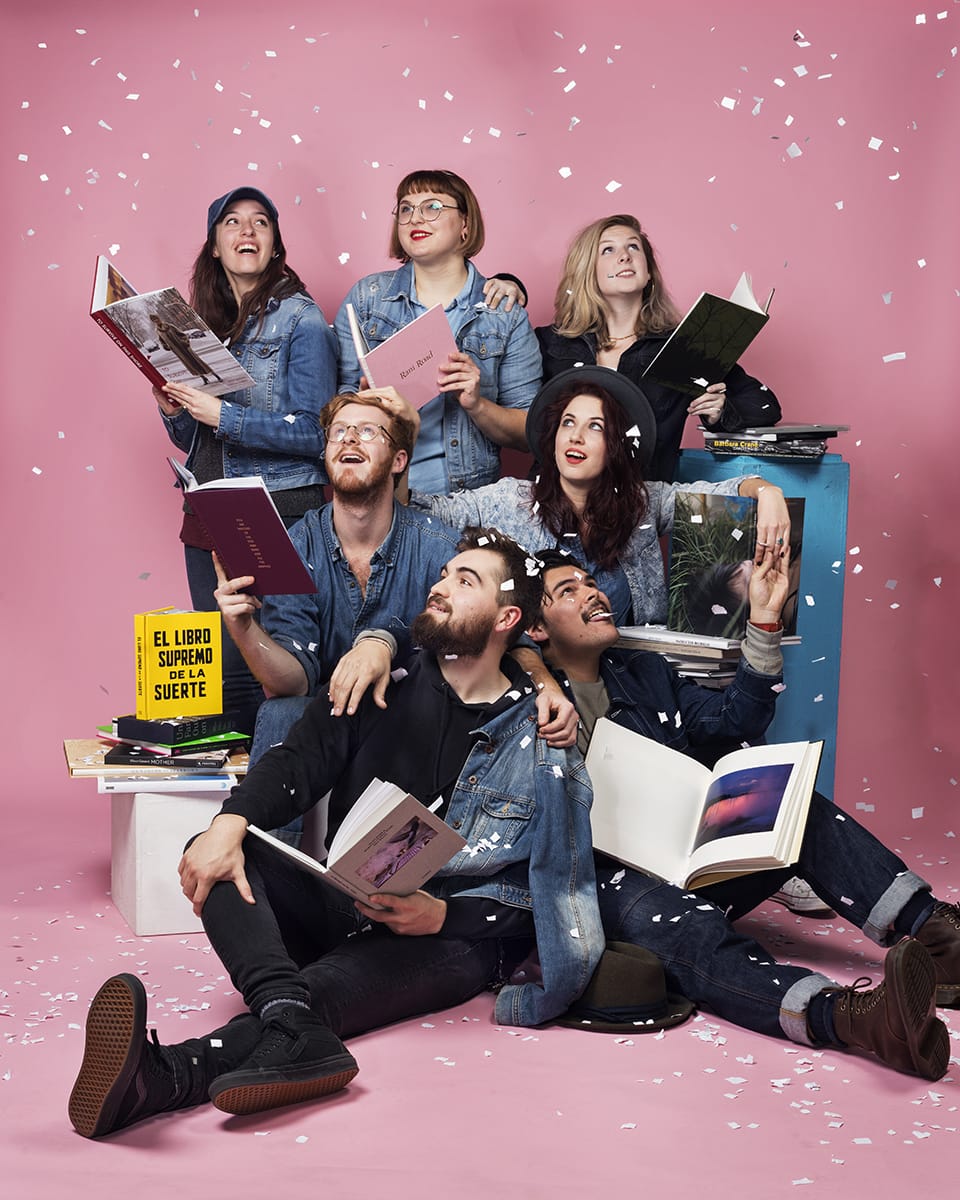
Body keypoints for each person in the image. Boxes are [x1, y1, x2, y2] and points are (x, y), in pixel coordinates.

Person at [67, 530, 604, 1138]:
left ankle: (163, 1076)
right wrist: (227, 822)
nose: (440, 585)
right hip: (342, 901)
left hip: (439, 941)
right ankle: (288, 1022)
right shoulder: (380, 680)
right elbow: (297, 760)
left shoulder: (540, 738)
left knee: (319, 990)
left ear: (507, 617)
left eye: (465, 580)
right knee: (215, 851)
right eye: (446, 572)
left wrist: (443, 917)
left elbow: (557, 889)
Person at [525, 547, 959, 1078]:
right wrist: (532, 672)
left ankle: (938, 940)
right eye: (567, 591)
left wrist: (763, 617)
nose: (592, 593)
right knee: (685, 928)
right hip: (603, 884)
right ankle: (855, 1018)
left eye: (591, 582)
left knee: (793, 809)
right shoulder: (523, 695)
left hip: (690, 858)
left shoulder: (644, 672)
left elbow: (736, 719)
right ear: (536, 627)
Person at [215, 390, 576, 785]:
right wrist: (244, 629)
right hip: (324, 724)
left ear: (399, 461)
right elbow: (294, 680)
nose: (349, 439)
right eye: (339, 432)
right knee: (281, 711)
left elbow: (511, 642)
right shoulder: (295, 547)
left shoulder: (440, 548)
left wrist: (547, 688)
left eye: (368, 431)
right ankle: (263, 843)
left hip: (413, 718)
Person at [409, 366, 791, 630]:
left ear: (616, 447)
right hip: (537, 687)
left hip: (632, 680)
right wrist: (400, 433)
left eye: (595, 427)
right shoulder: (508, 500)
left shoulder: (643, 502)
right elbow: (420, 508)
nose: (575, 437)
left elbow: (718, 493)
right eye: (568, 424)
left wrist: (766, 491)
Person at [156, 187, 338, 730]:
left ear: (275, 242)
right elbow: (194, 433)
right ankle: (234, 810)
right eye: (232, 222)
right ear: (214, 245)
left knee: (280, 664)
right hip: (207, 508)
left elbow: (316, 433)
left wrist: (224, 415)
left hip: (277, 508)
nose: (247, 231)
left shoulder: (302, 320)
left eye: (261, 222)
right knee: (224, 672)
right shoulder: (200, 325)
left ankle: (277, 808)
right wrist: (172, 409)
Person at [335, 168, 542, 494]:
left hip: (467, 501)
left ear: (465, 225)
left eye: (432, 207)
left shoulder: (504, 315)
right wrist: (360, 406)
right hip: (380, 495)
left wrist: (476, 404)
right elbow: (334, 412)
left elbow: (530, 432)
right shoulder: (365, 299)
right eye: (406, 208)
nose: (415, 217)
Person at [536, 215, 781, 482]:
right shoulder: (550, 343)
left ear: (649, 270)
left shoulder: (685, 347)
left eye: (633, 247)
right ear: (587, 270)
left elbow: (766, 406)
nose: (624, 257)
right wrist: (509, 284)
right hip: (555, 503)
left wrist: (722, 412)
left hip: (642, 504)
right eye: (608, 249)